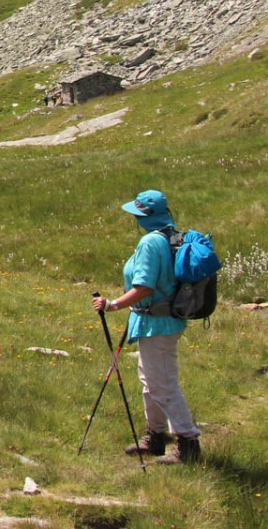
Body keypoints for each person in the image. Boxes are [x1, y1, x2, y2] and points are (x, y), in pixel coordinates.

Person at [90, 189, 202, 464]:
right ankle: (156, 437)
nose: (135, 219)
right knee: (150, 382)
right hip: (157, 319)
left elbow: (144, 287)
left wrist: (112, 305)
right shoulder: (171, 235)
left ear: (146, 216)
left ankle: (188, 445)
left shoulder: (151, 242)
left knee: (163, 385)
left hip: (157, 323)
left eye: (138, 214)